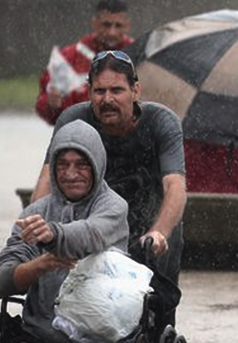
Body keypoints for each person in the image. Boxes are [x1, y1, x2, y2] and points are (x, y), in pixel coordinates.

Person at [0, 121, 129, 343]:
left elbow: (91, 234)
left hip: (93, 335)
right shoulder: (34, 213)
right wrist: (37, 267)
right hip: (39, 331)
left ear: (97, 165)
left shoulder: (113, 207)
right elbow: (0, 283)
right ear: (52, 169)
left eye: (81, 164)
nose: (71, 174)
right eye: (62, 165)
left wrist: (54, 234)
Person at [30, 51, 187, 285]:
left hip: (148, 227)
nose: (107, 100)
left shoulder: (161, 122)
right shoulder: (74, 119)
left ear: (135, 91)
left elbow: (175, 186)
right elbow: (47, 180)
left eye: (116, 91)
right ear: (89, 92)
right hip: (91, 225)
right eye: (99, 91)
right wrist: (36, 228)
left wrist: (159, 233)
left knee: (156, 292)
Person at [35, 0, 133, 125]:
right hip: (80, 137)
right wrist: (52, 105)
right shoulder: (67, 59)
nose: (112, 32)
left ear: (127, 26)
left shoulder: (140, 57)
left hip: (127, 140)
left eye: (118, 26)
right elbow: (45, 108)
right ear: (95, 23)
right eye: (106, 25)